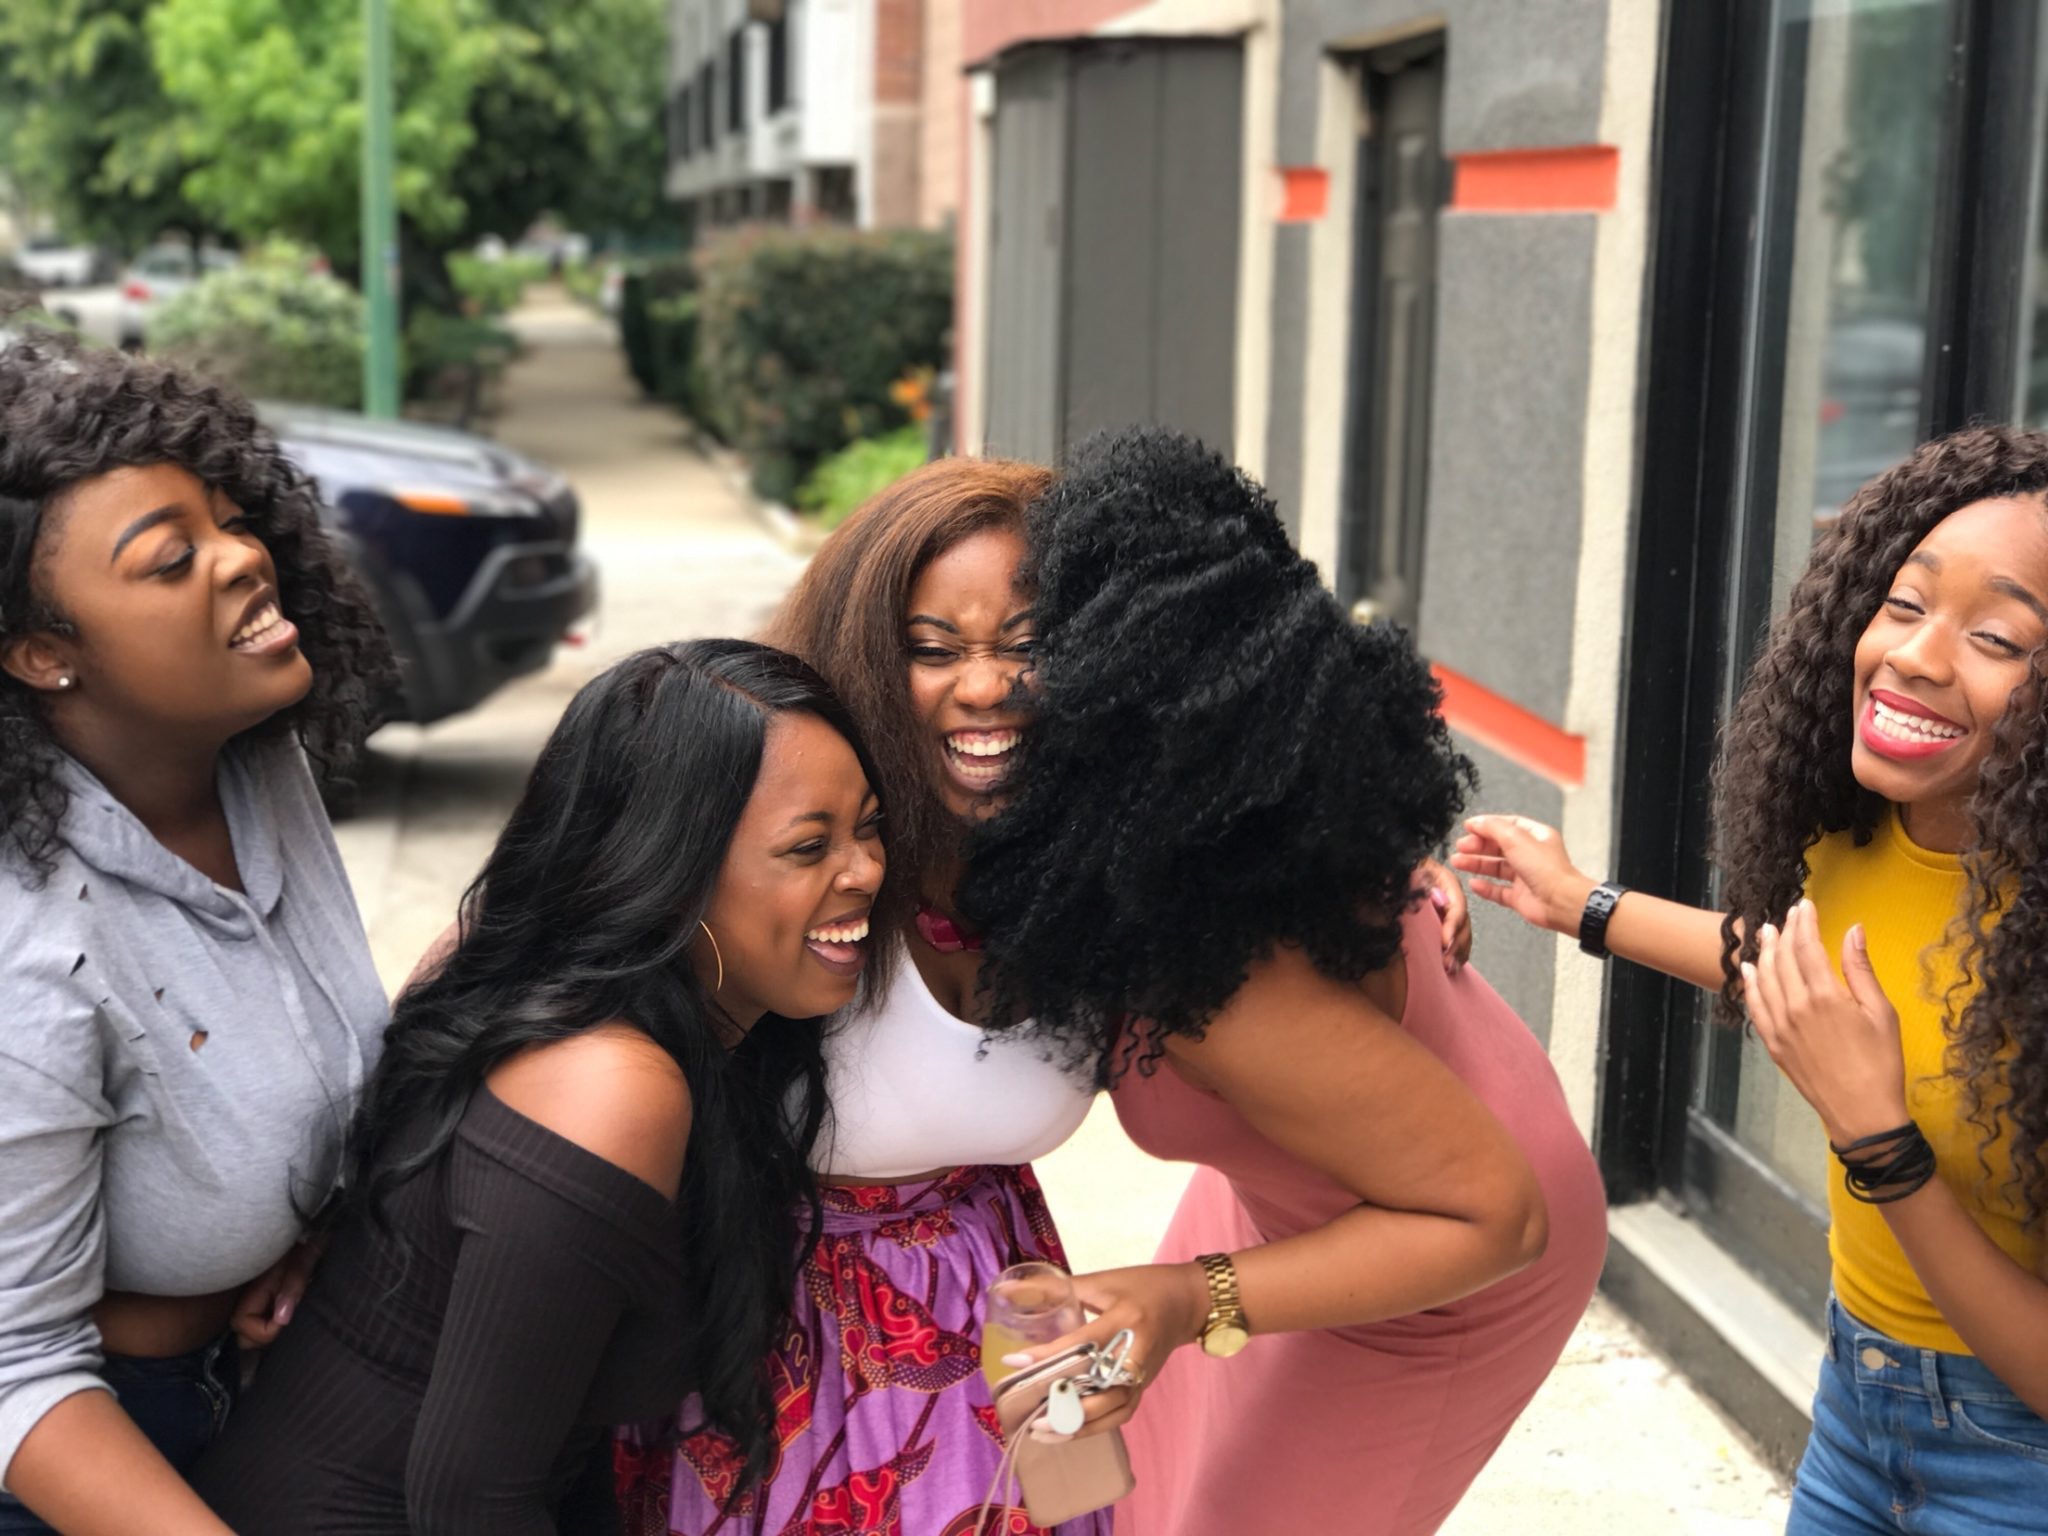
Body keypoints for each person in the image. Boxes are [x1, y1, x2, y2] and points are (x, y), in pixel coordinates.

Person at [963, 426, 1609, 1536]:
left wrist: (1185, 1300)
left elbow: (1490, 1217)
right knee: (1149, 1495)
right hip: (1308, 1181)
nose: (984, 681)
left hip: (1452, 1246)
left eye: (1023, 646)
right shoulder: (1222, 822)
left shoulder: (1221, 977)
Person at [1453, 425, 2048, 1534]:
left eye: (1998, 639)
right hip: (1853, 1411)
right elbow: (1776, 956)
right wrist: (1579, 901)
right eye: (1904, 604)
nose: (1916, 657)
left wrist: (1876, 1138)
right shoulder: (1860, 835)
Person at [191, 640, 886, 1534]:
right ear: (668, 878)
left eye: (868, 825)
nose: (864, 869)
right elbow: (472, 1500)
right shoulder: (608, 1085)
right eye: (808, 846)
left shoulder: (650, 1019)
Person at [618, 461, 1112, 1536]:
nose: (985, 688)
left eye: (1026, 645)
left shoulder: (1100, 859)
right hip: (767, 1330)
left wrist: (1403, 894)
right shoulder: (763, 819)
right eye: (931, 651)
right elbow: (510, 973)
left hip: (1013, 1304)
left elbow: (1280, 857)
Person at [0, 331, 394, 1534]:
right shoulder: (31, 954)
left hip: (249, 1386)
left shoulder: (248, 756)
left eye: (228, 517)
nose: (241, 559)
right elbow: (13, 1377)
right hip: (91, 1459)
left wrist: (306, 1211)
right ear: (42, 655)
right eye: (171, 560)